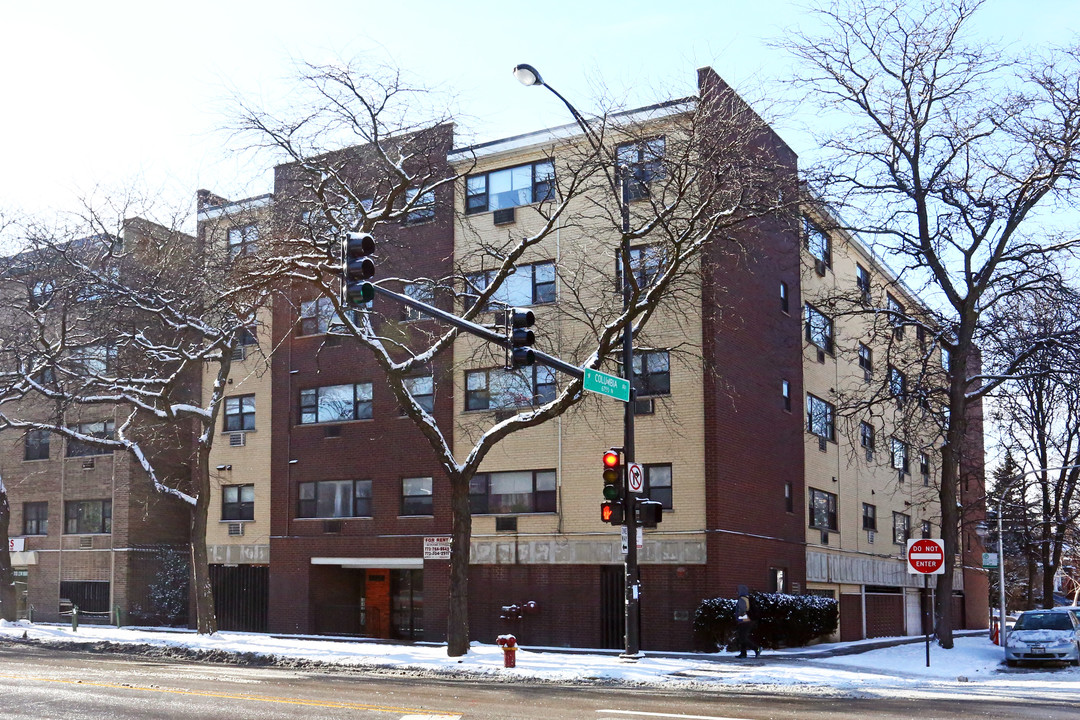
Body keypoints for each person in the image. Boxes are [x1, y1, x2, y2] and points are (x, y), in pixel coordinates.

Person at [734, 585, 760, 658]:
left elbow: (742, 610)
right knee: (742, 637)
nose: (736, 592)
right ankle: (743, 653)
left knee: (743, 637)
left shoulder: (742, 598)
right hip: (748, 620)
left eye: (738, 590)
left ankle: (756, 648)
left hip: (744, 621)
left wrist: (739, 617)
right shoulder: (747, 598)